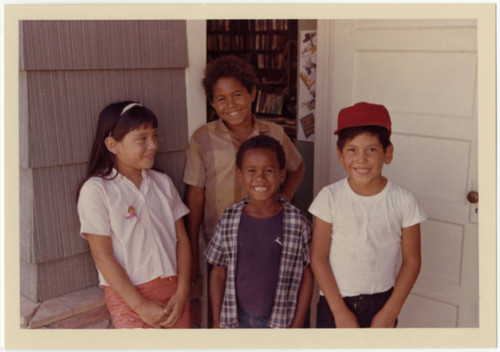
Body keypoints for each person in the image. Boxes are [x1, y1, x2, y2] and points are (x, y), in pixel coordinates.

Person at [183, 55, 305, 283]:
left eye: (237, 95)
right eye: (221, 99)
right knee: (224, 302)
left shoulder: (275, 134)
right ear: (212, 103)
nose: (231, 105)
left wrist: (286, 194)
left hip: (269, 238)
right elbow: (196, 196)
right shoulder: (203, 139)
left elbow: (297, 167)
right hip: (222, 242)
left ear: (252, 93)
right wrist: (191, 247)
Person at [309, 102, 426, 328]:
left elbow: (412, 261)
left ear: (388, 153)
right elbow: (318, 257)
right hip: (334, 303)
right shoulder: (329, 198)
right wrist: (339, 312)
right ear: (340, 155)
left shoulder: (404, 201)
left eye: (371, 149)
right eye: (352, 149)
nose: (361, 159)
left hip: (381, 304)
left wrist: (390, 312)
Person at [77, 101, 191, 328]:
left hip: (174, 292)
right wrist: (139, 305)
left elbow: (183, 240)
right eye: (142, 138)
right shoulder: (97, 190)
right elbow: (103, 256)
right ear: (112, 144)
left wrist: (182, 292)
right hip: (129, 297)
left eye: (154, 136)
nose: (153, 145)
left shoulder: (162, 183)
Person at [204, 135, 313, 328]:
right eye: (251, 171)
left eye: (268, 170)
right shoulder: (229, 219)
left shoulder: (298, 223)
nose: (260, 178)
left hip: (281, 323)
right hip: (236, 320)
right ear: (240, 176)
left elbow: (306, 276)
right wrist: (215, 321)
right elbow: (218, 272)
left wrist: (297, 325)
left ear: (281, 175)